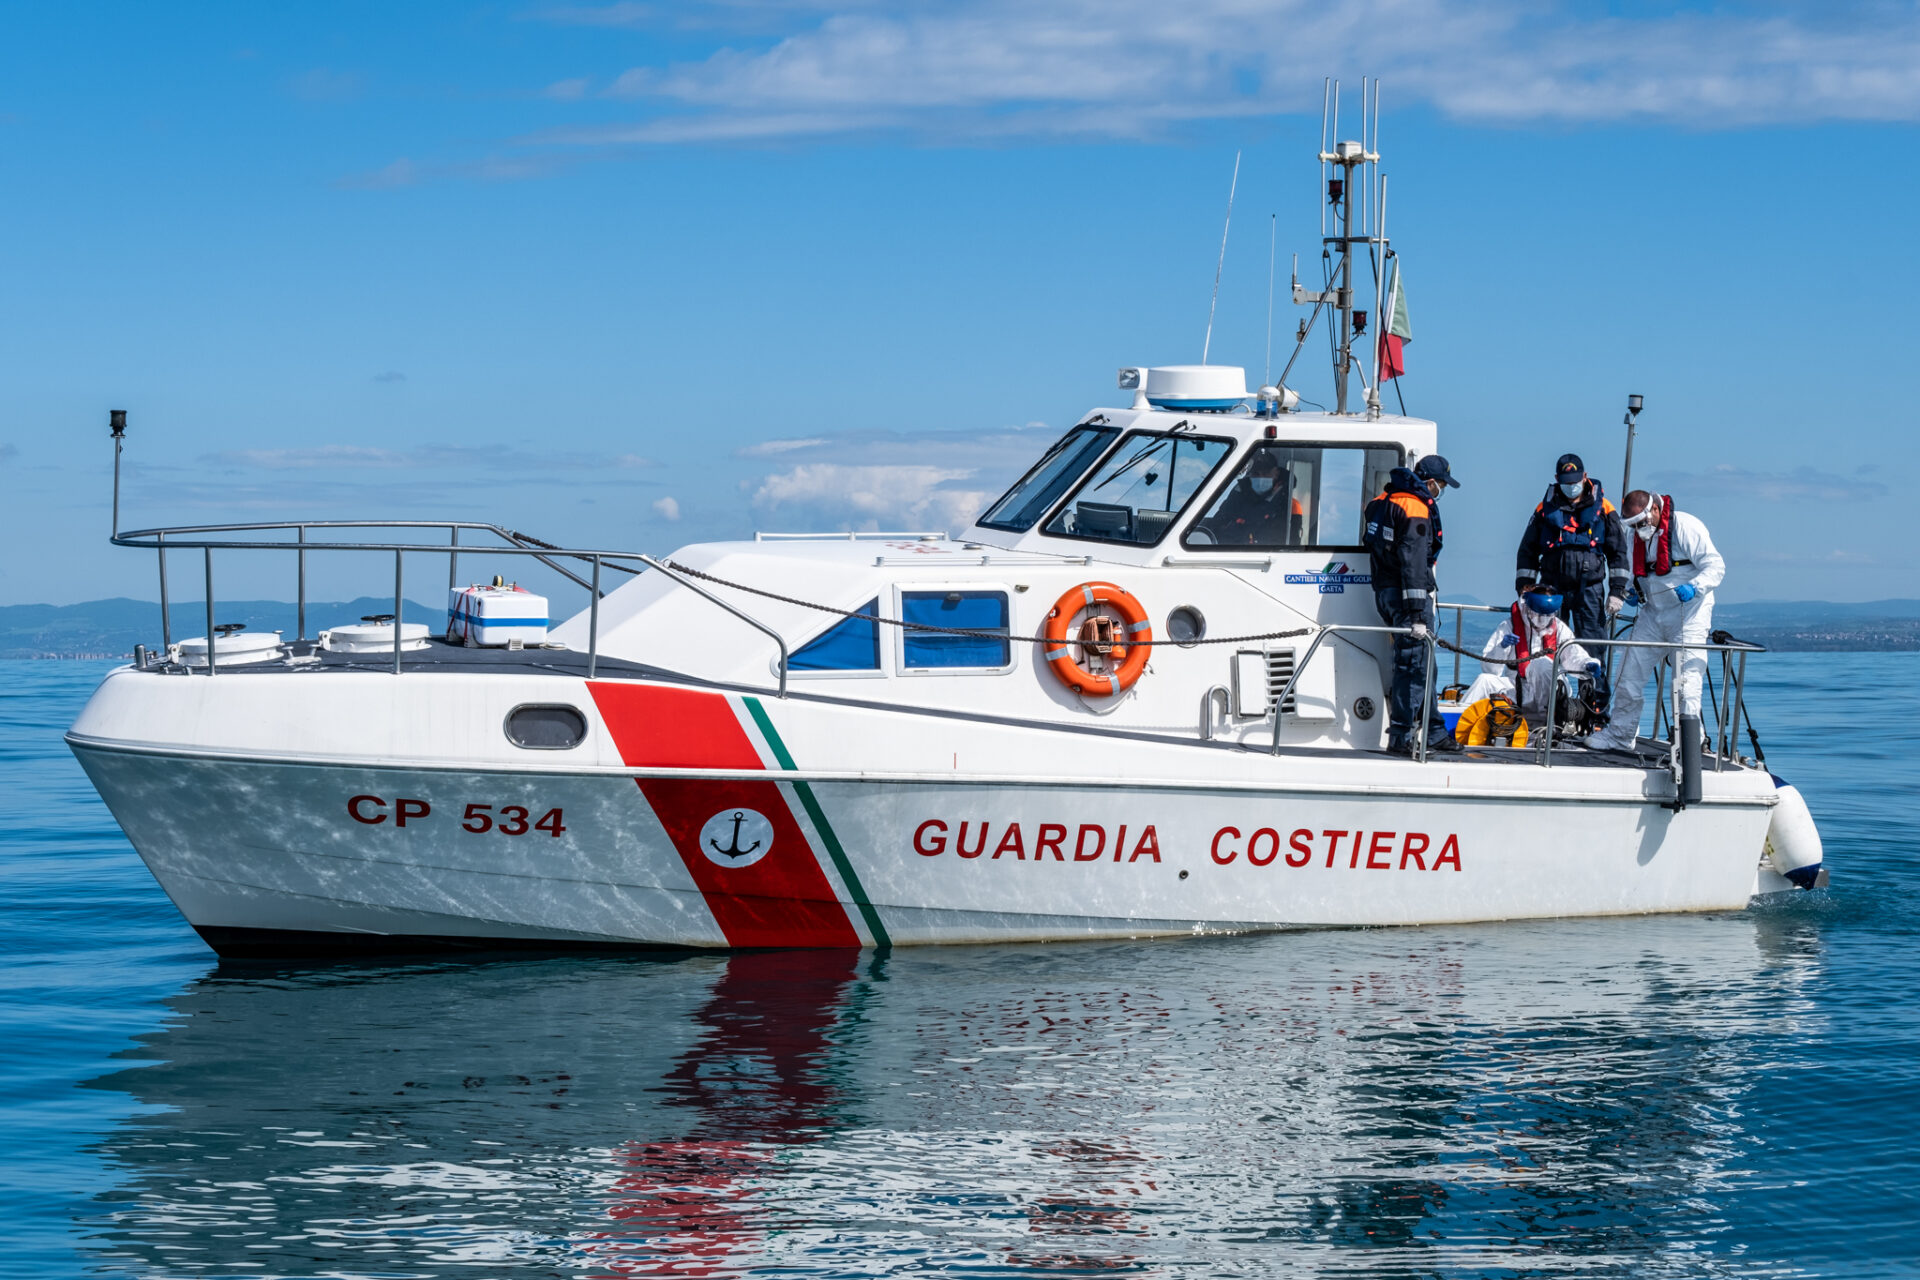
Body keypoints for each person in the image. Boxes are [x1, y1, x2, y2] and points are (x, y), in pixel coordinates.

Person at [1585, 491, 1725, 753]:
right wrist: (1626, 592)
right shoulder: (1635, 535)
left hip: (1689, 614)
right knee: (1627, 674)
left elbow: (1715, 567)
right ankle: (1620, 735)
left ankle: (1690, 743)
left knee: (1686, 681)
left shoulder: (1686, 526)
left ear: (1654, 510)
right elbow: (1632, 571)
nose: (1637, 530)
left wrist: (1696, 586)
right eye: (1632, 525)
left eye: (1640, 522)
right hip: (1652, 614)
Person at [1363, 454, 1461, 755]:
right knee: (1413, 666)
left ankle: (1433, 731)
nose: (1440, 490)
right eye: (1441, 484)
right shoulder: (1415, 507)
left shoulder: (1381, 501)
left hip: (1386, 592)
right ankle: (1401, 736)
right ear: (1430, 482)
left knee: (1424, 663)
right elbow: (1413, 561)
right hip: (1408, 599)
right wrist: (1418, 612)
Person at [1514, 453, 1631, 640]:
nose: (1571, 487)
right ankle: (1550, 670)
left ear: (1585, 476)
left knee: (1592, 642)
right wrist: (1524, 587)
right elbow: (1528, 551)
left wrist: (1617, 591)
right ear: (1556, 480)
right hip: (1551, 587)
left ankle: (1592, 670)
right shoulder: (1543, 510)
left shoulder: (1605, 509)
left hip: (1590, 589)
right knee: (1547, 640)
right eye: (1566, 482)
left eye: (1575, 481)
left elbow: (1618, 552)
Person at [1483, 584, 1603, 731]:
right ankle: (1459, 729)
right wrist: (1501, 648)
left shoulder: (1559, 629)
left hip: (1551, 692)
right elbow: (1490, 669)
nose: (1543, 620)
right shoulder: (1508, 626)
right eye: (1539, 615)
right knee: (1484, 681)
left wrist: (1587, 664)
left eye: (1548, 615)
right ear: (1527, 608)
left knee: (1542, 664)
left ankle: (1550, 724)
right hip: (1516, 690)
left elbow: (1573, 653)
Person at [1203, 449, 1305, 545]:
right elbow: (1217, 524)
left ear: (1276, 473)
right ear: (1250, 475)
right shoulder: (1238, 496)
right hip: (1228, 554)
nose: (1261, 477)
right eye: (1256, 473)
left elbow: (1288, 543)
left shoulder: (1290, 506)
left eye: (1266, 473)